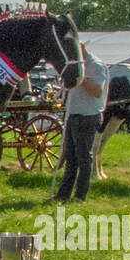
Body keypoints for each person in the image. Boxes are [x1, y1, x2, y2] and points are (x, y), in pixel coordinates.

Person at [55, 43, 107, 202]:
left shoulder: (96, 66)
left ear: (82, 49)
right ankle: (63, 195)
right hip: (73, 115)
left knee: (84, 158)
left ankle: (80, 196)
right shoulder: (76, 66)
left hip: (88, 116)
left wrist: (81, 78)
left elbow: (97, 92)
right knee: (70, 158)